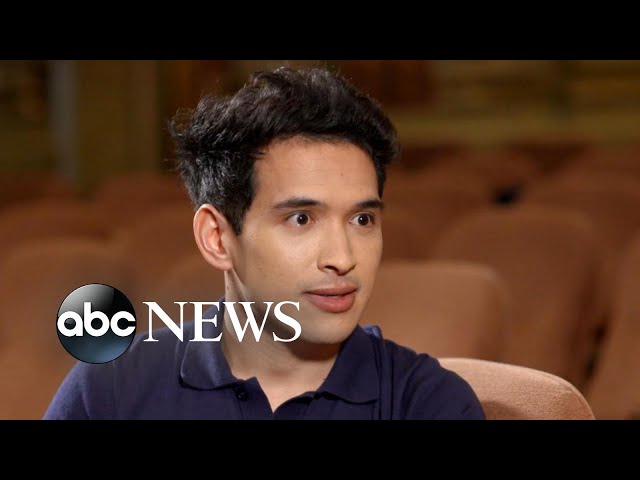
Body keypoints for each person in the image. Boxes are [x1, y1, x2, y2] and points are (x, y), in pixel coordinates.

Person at [44, 67, 485, 419]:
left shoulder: (426, 402)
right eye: (301, 219)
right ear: (217, 239)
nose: (343, 258)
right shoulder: (111, 389)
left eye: (362, 219)